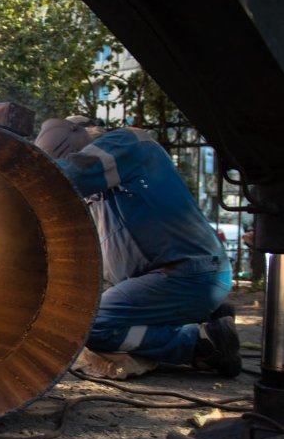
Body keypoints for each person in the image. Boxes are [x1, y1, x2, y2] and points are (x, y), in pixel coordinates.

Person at [35, 118, 241, 377]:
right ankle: (200, 319)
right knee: (78, 312)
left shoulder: (128, 143)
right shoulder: (105, 192)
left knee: (88, 326)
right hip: (176, 278)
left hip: (187, 275)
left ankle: (202, 343)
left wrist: (19, 178)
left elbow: (67, 175)